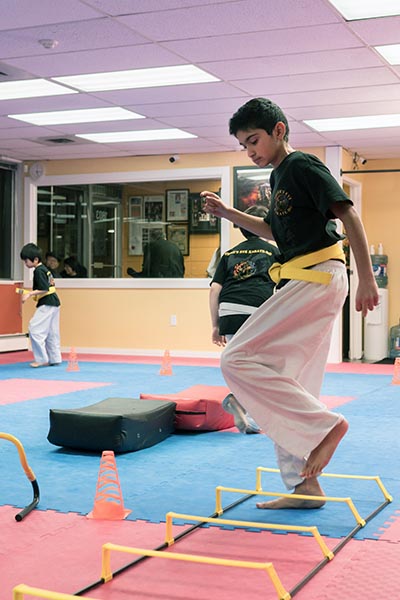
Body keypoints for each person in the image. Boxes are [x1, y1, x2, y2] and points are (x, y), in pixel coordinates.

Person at [201, 97, 379, 510]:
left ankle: (325, 427)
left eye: (254, 140)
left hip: (316, 276)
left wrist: (367, 278)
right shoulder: (279, 176)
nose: (249, 151)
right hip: (306, 277)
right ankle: (305, 486)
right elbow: (272, 230)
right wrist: (228, 212)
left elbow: (349, 215)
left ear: (279, 130)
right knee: (290, 382)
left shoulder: (302, 166)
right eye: (243, 145)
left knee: (235, 359)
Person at [210, 205, 279, 433]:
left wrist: (215, 325)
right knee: (264, 365)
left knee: (240, 362)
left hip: (229, 311)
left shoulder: (229, 254)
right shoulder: (274, 252)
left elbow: (215, 290)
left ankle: (242, 404)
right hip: (257, 310)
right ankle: (240, 402)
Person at [19, 243, 62, 368]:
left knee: (34, 329)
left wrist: (29, 294)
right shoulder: (45, 269)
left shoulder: (38, 271)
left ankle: (41, 358)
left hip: (47, 303)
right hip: (54, 302)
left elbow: (44, 288)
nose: (25, 263)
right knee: (52, 332)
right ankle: (55, 358)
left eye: (26, 260)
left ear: (35, 259)